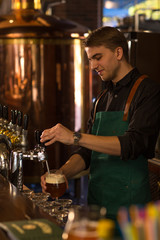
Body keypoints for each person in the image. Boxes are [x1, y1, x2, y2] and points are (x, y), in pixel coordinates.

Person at [40, 26, 160, 220]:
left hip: (131, 211)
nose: (93, 65)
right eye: (90, 59)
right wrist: (61, 174)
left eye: (98, 57)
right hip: (97, 207)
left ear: (118, 52)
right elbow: (88, 152)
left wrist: (75, 137)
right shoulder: (103, 97)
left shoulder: (148, 91)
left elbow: (133, 144)